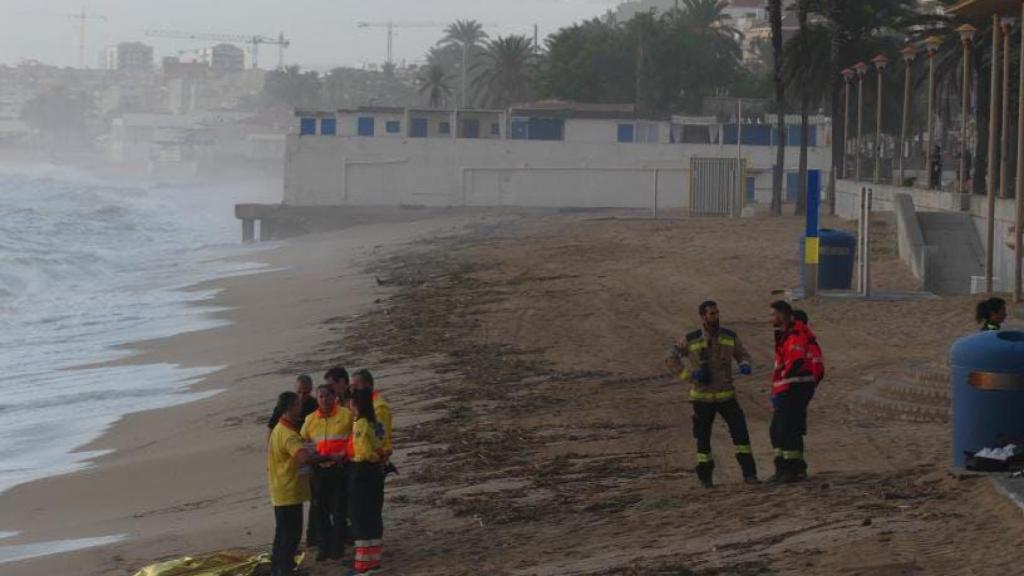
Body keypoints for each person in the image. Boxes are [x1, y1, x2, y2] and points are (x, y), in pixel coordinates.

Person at [666, 301, 758, 488]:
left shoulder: (729, 336)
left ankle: (750, 474)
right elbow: (670, 357)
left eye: (717, 313)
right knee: (703, 440)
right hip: (702, 398)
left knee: (741, 436)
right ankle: (705, 478)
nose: (715, 317)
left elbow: (742, 354)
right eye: (711, 314)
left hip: (727, 397)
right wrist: (690, 376)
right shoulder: (690, 338)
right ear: (702, 317)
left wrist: (744, 364)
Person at [268, 391, 327, 576]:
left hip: (280, 489)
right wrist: (328, 456)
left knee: (282, 533)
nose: (300, 408)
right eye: (298, 405)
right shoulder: (288, 434)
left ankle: (278, 568)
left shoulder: (279, 429)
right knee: (291, 535)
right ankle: (286, 570)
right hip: (289, 490)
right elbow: (303, 458)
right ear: (290, 407)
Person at [301, 385, 352, 562]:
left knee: (339, 511)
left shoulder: (346, 415)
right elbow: (304, 444)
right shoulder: (310, 419)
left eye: (326, 396)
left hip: (340, 469)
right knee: (320, 511)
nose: (323, 399)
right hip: (319, 472)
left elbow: (354, 438)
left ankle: (338, 548)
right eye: (320, 397)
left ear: (334, 396)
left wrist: (344, 455)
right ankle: (324, 547)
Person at [769, 301, 818, 483]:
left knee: (782, 430)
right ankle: (793, 468)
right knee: (789, 430)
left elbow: (795, 362)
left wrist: (783, 381)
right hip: (791, 387)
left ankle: (787, 470)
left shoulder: (794, 335)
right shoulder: (788, 335)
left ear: (782, 315)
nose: (770, 319)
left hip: (792, 388)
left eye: (773, 315)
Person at [347, 388, 387, 574]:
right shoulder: (374, 421)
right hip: (375, 473)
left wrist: (371, 457)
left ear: (355, 404)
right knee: (372, 516)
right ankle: (374, 561)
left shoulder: (361, 423)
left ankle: (363, 566)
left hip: (362, 472)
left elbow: (362, 451)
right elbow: (381, 444)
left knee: (359, 517)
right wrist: (379, 457)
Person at [351, 369, 392, 463]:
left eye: (356, 386)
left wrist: (378, 456)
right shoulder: (358, 405)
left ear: (368, 385)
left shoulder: (379, 407)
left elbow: (381, 436)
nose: (353, 390)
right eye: (352, 386)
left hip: (372, 461)